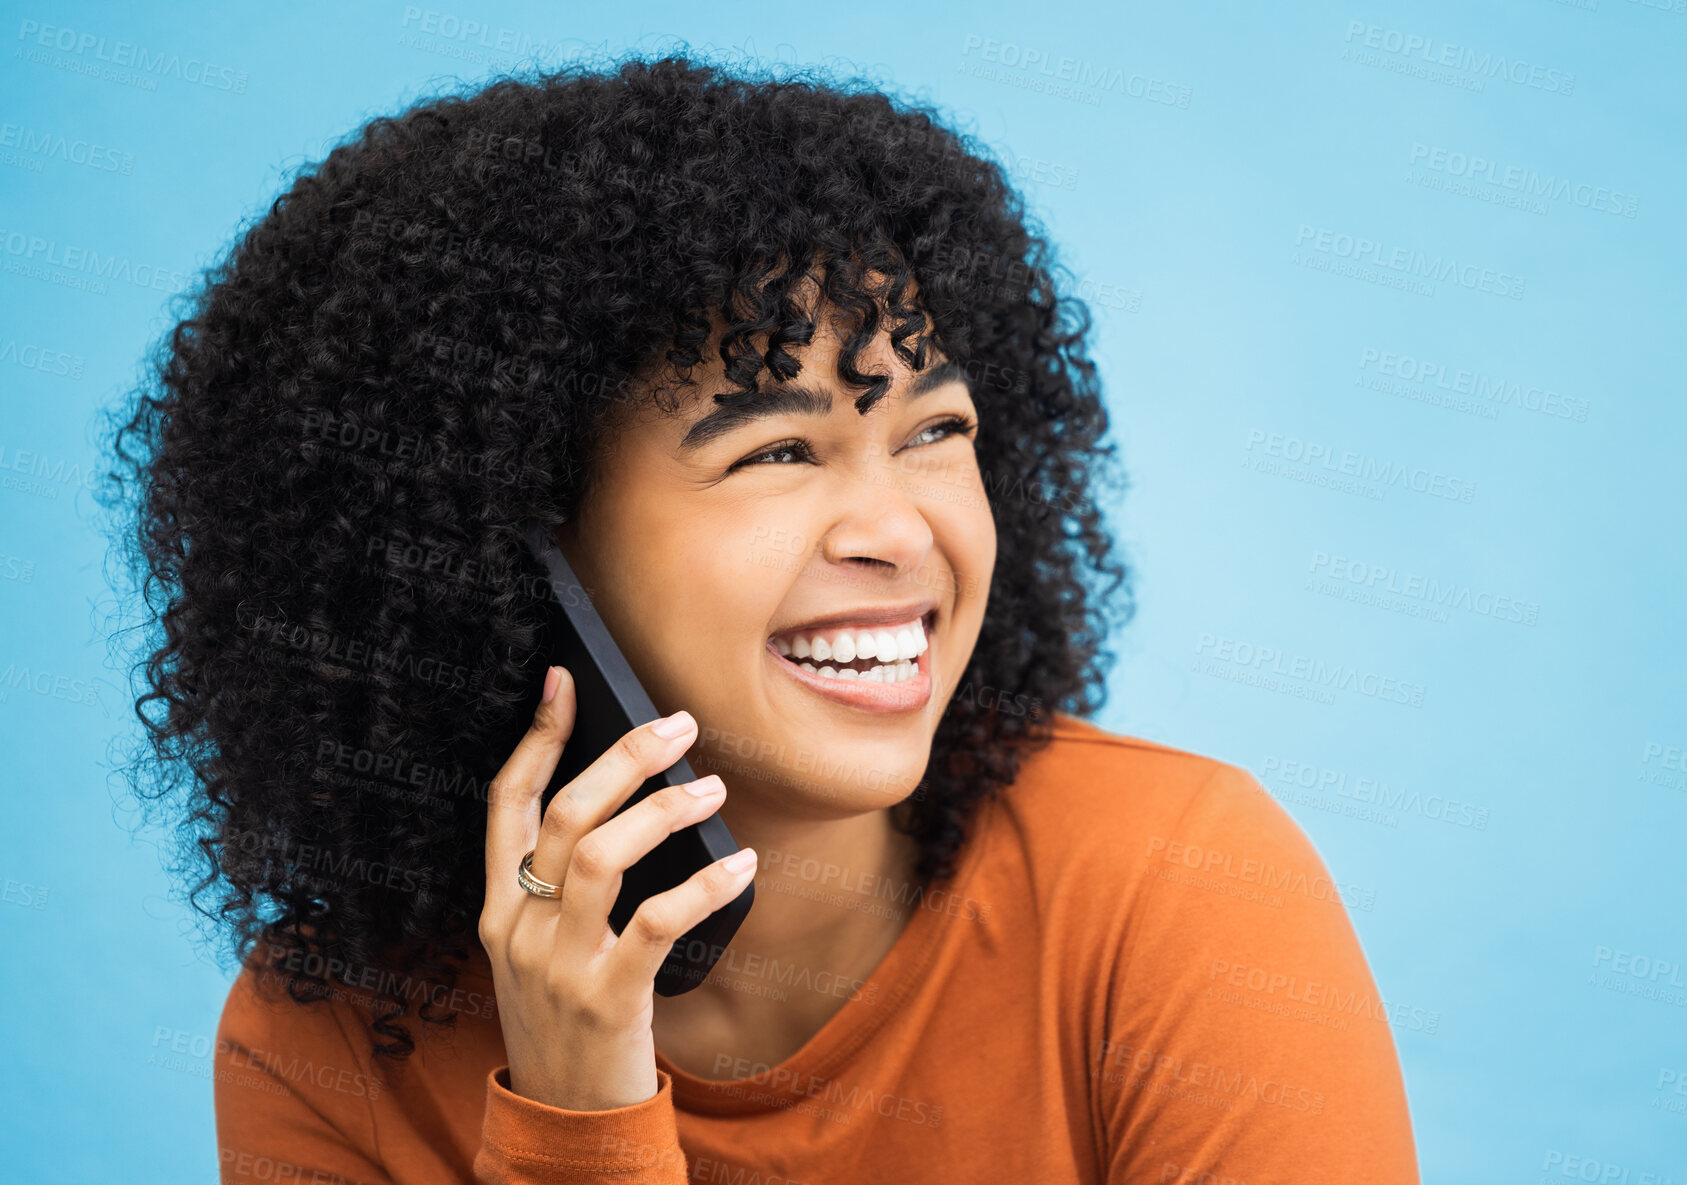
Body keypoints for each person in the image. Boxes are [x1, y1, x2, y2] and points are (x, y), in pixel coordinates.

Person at [105, 54, 1418, 1184]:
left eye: (937, 432)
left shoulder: (1174, 888)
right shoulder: (334, 1039)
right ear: (512, 538)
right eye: (780, 452)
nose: (900, 532)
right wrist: (579, 1114)